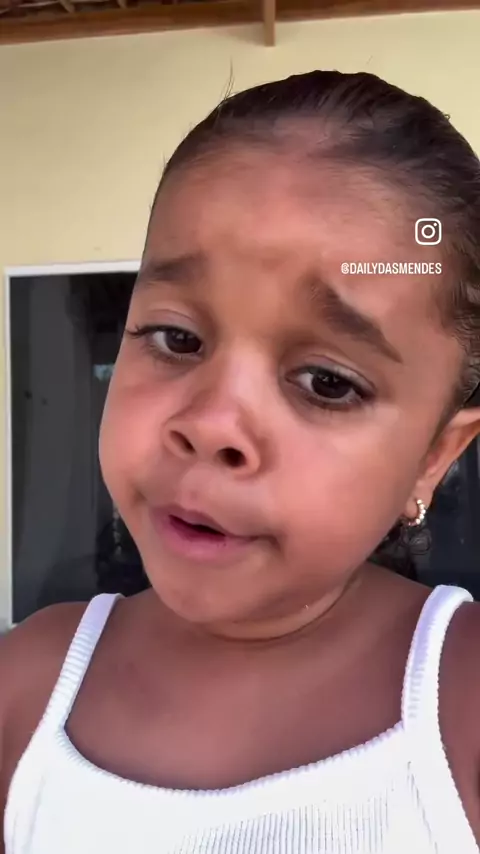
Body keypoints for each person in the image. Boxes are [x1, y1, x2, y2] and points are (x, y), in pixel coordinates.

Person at [1, 69, 480, 854]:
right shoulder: (24, 691)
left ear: (434, 456)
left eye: (327, 383)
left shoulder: (460, 712)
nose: (212, 425)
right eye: (176, 338)